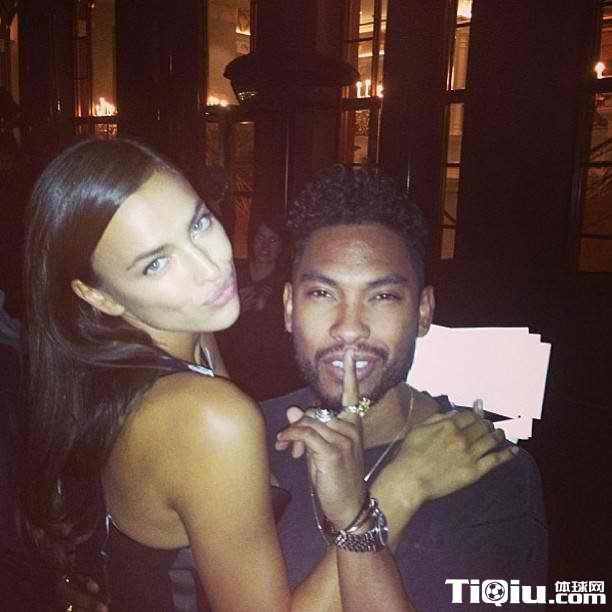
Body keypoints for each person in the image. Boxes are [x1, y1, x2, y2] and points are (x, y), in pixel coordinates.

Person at [18, 139, 512, 612]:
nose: (208, 267)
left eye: (198, 224)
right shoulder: (208, 416)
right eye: (156, 263)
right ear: (98, 295)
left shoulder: (179, 341)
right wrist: (402, 485)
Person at [266, 165, 548, 610]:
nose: (349, 327)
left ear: (423, 311)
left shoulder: (492, 470)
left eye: (382, 296)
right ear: (288, 307)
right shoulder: (241, 440)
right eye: (322, 293)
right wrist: (400, 488)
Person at [217, 215, 302, 399]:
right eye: (260, 238)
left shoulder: (287, 282)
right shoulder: (233, 273)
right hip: (228, 372)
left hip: (269, 379)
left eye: (272, 240)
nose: (264, 246)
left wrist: (270, 309)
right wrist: (235, 308)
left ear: (281, 246)